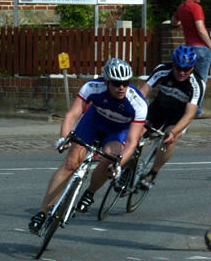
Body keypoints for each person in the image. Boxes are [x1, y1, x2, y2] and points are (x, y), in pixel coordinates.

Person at [29, 58, 147, 234]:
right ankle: (42, 212)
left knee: (110, 159)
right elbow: (72, 115)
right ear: (106, 81)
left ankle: (90, 192)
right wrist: (64, 139)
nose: (121, 87)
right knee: (70, 163)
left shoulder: (138, 103)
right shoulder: (93, 87)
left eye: (125, 82)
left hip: (117, 131)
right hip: (93, 123)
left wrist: (119, 163)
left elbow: (132, 141)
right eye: (116, 83)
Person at [135, 45, 205, 189]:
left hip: (178, 117)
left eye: (186, 69)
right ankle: (130, 166)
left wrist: (173, 133)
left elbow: (189, 115)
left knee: (169, 141)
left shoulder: (197, 84)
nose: (182, 73)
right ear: (173, 65)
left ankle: (152, 173)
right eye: (178, 68)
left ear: (193, 68)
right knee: (137, 132)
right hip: (159, 108)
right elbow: (143, 91)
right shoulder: (162, 70)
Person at [170, 0, 211, 119]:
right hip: (201, 47)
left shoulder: (182, 7)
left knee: (189, 80)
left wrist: (181, 22)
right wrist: (210, 45)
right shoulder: (196, 7)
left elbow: (173, 22)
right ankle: (196, 111)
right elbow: (200, 29)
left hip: (190, 48)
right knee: (200, 82)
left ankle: (186, 109)